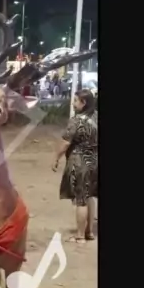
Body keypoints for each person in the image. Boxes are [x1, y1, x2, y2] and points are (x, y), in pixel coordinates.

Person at [52, 89, 98, 242]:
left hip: (80, 162)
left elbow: (66, 142)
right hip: (95, 161)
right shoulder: (97, 117)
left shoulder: (76, 121)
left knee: (81, 199)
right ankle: (89, 232)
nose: (73, 103)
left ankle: (80, 236)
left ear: (83, 103)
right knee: (89, 196)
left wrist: (56, 158)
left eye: (76, 100)